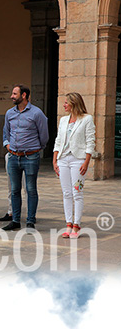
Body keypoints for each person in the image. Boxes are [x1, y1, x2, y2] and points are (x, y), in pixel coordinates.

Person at [3, 84, 49, 231]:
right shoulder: (10, 113)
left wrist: (36, 149)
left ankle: (30, 221)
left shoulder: (37, 113)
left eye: (14, 93)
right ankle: (15, 220)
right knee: (15, 189)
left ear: (23, 95)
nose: (11, 96)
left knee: (30, 189)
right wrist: (7, 145)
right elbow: (6, 132)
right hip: (13, 157)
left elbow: (44, 135)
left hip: (30, 157)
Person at [53, 92, 95, 238]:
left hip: (78, 160)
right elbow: (58, 140)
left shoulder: (87, 119)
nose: (64, 105)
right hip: (63, 159)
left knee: (77, 192)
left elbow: (90, 141)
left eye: (66, 103)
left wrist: (86, 161)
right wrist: (54, 159)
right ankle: (68, 224)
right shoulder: (64, 120)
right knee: (66, 193)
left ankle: (76, 226)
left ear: (74, 103)